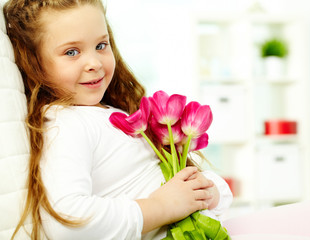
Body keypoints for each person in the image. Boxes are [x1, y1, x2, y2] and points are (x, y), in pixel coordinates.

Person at [4, 0, 232, 239]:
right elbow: (67, 223)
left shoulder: (111, 114)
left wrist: (209, 190)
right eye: (72, 52)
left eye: (101, 45)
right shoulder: (66, 123)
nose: (94, 63)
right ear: (34, 63)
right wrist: (162, 207)